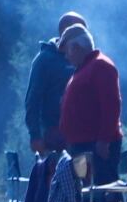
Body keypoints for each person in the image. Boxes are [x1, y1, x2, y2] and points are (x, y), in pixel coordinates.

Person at [55, 24, 122, 173]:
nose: (66, 57)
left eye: (67, 51)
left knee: (99, 190)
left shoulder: (101, 66)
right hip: (81, 146)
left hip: (94, 147)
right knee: (83, 191)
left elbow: (111, 105)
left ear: (77, 47)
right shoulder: (84, 69)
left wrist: (104, 140)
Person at [22, 12, 86, 153]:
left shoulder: (84, 59)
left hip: (82, 135)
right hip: (54, 137)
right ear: (66, 32)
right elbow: (33, 99)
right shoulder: (45, 60)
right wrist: (35, 135)